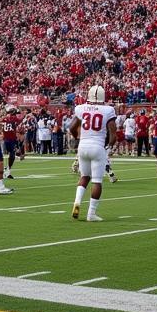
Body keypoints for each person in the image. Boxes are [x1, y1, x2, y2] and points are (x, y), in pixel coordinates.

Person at [69, 85, 116, 222]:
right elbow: (113, 134)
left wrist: (77, 138)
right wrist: (109, 148)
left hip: (83, 146)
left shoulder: (81, 108)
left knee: (84, 177)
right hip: (97, 146)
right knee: (97, 181)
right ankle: (91, 214)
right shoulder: (108, 110)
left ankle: (77, 203)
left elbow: (72, 127)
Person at [2, 107, 22, 179]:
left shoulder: (3, 118)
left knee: (5, 155)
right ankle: (7, 170)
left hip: (5, 138)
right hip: (11, 139)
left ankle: (6, 170)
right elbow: (20, 120)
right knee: (11, 155)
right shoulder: (13, 118)